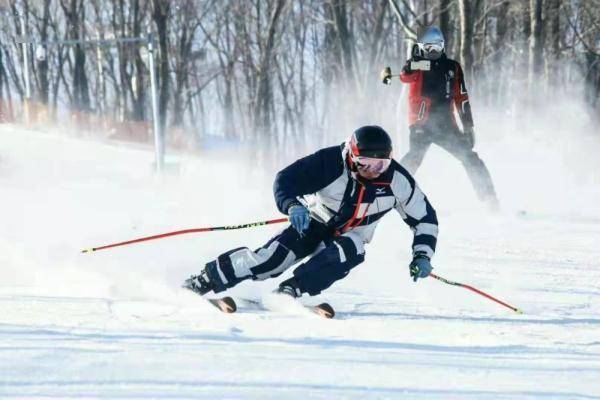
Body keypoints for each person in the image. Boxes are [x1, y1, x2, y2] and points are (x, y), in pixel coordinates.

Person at [184, 126, 438, 299]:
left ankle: (293, 289)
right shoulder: (330, 163)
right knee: (271, 262)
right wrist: (293, 205)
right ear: (352, 155)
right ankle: (205, 279)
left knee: (351, 250)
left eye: (381, 164)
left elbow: (425, 219)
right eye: (365, 164)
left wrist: (422, 256)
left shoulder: (398, 180)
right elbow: (285, 180)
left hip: (352, 233)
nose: (373, 170)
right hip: (314, 221)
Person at [382, 26, 499, 208]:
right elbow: (406, 74)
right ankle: (386, 196)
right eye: (429, 48)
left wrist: (468, 126)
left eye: (437, 47)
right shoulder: (421, 65)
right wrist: (415, 58)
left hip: (446, 125)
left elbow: (462, 97)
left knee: (470, 158)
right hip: (422, 124)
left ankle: (490, 201)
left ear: (443, 47)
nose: (433, 52)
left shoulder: (452, 67)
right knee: (414, 158)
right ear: (422, 48)